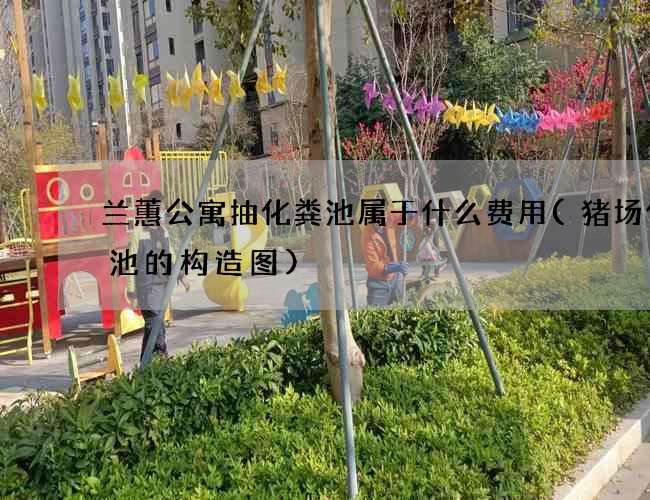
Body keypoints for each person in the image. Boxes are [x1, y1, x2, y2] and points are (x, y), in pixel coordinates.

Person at [127, 190, 190, 362]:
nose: (162, 211)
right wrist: (132, 294)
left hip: (163, 286)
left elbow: (171, 256)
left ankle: (145, 364)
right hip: (147, 288)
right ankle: (163, 358)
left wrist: (181, 275)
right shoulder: (139, 233)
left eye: (163, 208)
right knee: (156, 324)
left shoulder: (164, 232)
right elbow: (131, 263)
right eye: (159, 208)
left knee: (154, 326)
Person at [362, 203, 415, 306]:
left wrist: (409, 214)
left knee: (402, 307)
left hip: (396, 277)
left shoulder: (389, 216)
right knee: (375, 313)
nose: (382, 222)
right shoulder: (367, 235)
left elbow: (406, 222)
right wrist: (393, 267)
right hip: (378, 283)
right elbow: (373, 266)